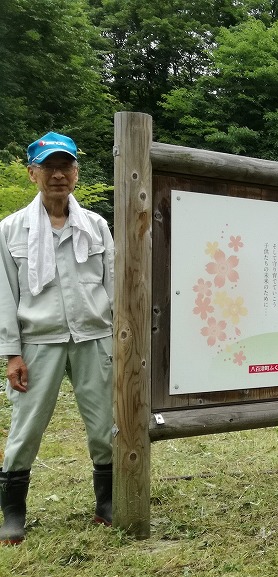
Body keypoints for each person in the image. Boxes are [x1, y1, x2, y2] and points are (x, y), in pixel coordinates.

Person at [0, 132, 115, 545]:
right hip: (38, 341)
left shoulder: (96, 226)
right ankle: (13, 513)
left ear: (76, 174)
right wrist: (11, 354)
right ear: (33, 173)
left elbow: (112, 285)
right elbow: (4, 296)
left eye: (65, 166)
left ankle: (107, 502)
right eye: (48, 166)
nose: (57, 175)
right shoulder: (11, 230)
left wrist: (119, 340)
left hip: (94, 336)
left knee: (105, 424)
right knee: (26, 429)